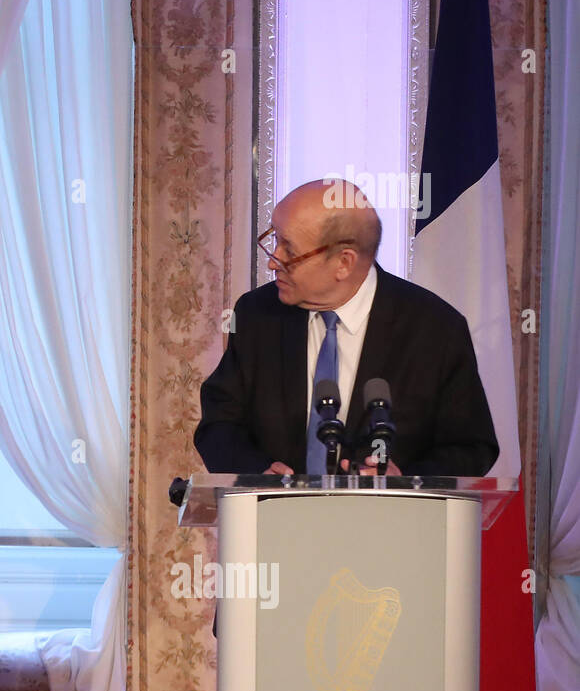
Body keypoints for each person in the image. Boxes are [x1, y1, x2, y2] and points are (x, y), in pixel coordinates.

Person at [194, 178, 498, 477]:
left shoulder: (435, 329)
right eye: (275, 239)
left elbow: (471, 447)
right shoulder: (256, 315)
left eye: (289, 248)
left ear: (344, 262)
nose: (274, 262)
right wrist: (257, 471)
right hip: (273, 518)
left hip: (391, 522)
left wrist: (405, 480)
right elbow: (219, 424)